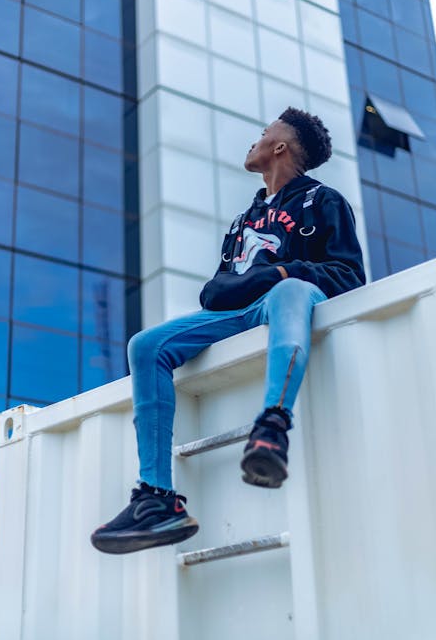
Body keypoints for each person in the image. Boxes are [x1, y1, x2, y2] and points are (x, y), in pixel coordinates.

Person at [91, 107, 366, 556]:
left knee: (292, 288)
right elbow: (216, 291)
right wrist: (248, 283)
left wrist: (278, 273)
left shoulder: (323, 201)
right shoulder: (245, 220)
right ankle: (157, 499)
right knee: (146, 345)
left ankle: (272, 427)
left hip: (290, 303)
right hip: (242, 314)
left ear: (280, 146)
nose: (255, 139)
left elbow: (349, 275)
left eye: (264, 133)